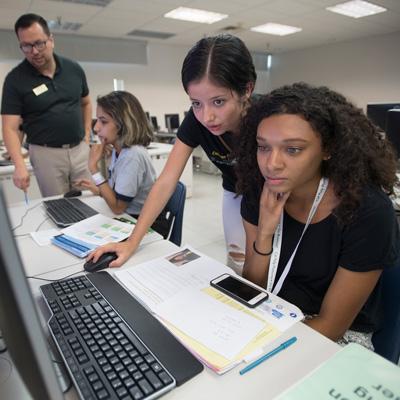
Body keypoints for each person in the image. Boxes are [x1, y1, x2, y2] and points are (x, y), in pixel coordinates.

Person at [236, 82, 400, 349]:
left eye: (293, 149)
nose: (271, 163)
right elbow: (254, 288)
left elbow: (331, 327)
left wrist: (254, 347)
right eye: (263, 147)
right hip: (274, 313)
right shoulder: (261, 192)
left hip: (332, 335)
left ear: (327, 149)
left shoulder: (368, 211)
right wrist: (265, 234)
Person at [88, 34, 257, 270]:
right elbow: (167, 180)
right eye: (196, 103)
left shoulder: (268, 118)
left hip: (275, 193)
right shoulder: (195, 121)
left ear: (247, 89)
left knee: (275, 263)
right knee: (239, 263)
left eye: (218, 101)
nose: (206, 117)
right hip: (235, 190)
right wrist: (131, 243)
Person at [1, 13, 92, 197]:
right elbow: (9, 128)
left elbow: (86, 103)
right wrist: (19, 165)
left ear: (51, 40)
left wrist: (87, 135)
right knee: (59, 206)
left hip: (80, 150)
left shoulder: (73, 69)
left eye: (39, 43)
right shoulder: (15, 80)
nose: (34, 51)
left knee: (90, 200)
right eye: (26, 46)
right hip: (45, 155)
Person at [75, 91, 156, 217]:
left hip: (140, 222)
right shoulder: (119, 150)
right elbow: (115, 194)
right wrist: (97, 189)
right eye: (97, 121)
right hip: (128, 216)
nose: (96, 128)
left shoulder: (132, 156)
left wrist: (94, 169)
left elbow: (118, 207)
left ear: (123, 124)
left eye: (103, 121)